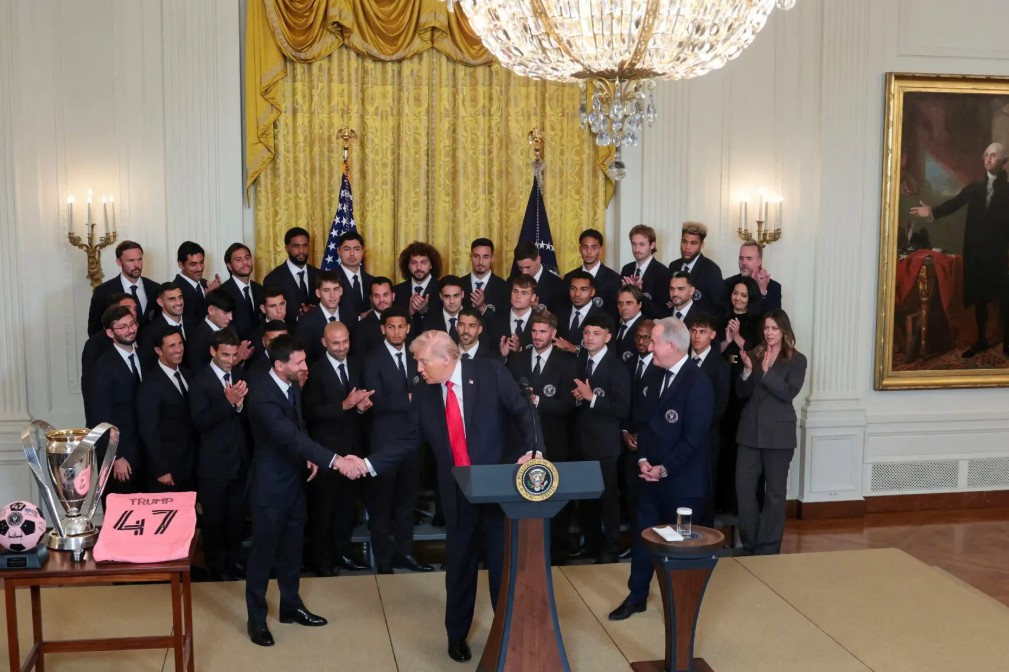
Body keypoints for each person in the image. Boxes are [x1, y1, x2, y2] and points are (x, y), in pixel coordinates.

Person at [340, 331, 540, 663]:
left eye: (422, 361)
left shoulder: (491, 373)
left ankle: (508, 632)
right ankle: (457, 635)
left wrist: (534, 450)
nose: (418, 368)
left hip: (497, 490)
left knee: (502, 567)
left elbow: (524, 413)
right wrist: (367, 463)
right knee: (459, 568)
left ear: (446, 359)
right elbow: (408, 439)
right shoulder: (425, 392)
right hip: (457, 492)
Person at [243, 334, 360, 647]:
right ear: (279, 365)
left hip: (295, 481)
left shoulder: (292, 384)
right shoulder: (262, 395)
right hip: (270, 487)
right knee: (263, 555)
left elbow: (300, 427)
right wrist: (334, 460)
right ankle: (256, 619)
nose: (305, 366)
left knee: (293, 548)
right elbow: (287, 436)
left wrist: (310, 456)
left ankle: (291, 606)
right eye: (299, 363)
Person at [608, 317, 714, 621]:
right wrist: (643, 459)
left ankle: (680, 604)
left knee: (680, 548)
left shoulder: (698, 383)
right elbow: (643, 425)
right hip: (649, 478)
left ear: (671, 345)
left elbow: (693, 440)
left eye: (654, 342)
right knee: (643, 541)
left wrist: (663, 469)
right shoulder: (653, 375)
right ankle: (636, 597)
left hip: (683, 484)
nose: (648, 347)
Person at [910, 142, 1009, 356]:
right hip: (976, 252)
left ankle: (1008, 344)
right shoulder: (976, 187)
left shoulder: (1008, 190)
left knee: (1003, 298)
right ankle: (981, 341)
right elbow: (955, 204)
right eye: (986, 155)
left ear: (1003, 161)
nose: (988, 159)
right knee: (979, 298)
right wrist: (932, 212)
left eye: (994, 155)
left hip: (998, 253)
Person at [362, 306, 434, 575]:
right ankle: (383, 561)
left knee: (407, 501)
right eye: (391, 327)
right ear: (383, 328)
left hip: (413, 440)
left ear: (408, 328)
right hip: (385, 441)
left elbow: (429, 391)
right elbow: (375, 400)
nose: (396, 332)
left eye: (401, 326)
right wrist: (409, 400)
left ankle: (405, 553)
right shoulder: (372, 358)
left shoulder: (417, 356)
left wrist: (415, 401)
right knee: (382, 504)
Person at [303, 321, 374, 575]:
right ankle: (322, 562)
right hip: (326, 454)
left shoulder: (356, 364)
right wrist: (344, 405)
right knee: (324, 511)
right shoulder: (314, 371)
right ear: (324, 343)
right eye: (336, 343)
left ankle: (342, 553)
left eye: (345, 341)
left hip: (354, 450)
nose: (342, 347)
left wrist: (361, 407)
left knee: (347, 508)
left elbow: (359, 405)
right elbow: (309, 412)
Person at [735, 309, 807, 556]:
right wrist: (747, 371)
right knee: (744, 488)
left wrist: (766, 372)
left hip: (778, 435)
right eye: (766, 328)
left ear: (784, 331)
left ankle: (768, 548)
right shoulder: (756, 353)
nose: (769, 333)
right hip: (749, 433)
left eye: (774, 328)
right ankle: (750, 543)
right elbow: (742, 392)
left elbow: (788, 393)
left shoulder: (797, 360)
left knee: (774, 494)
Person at [506, 310, 576, 558]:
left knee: (556, 494)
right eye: (534, 331)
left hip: (555, 439)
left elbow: (568, 405)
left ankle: (558, 550)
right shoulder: (517, 360)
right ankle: (524, 549)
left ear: (553, 333)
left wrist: (537, 401)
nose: (537, 336)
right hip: (523, 441)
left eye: (543, 332)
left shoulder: (567, 363)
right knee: (524, 493)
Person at [189, 329, 250, 582]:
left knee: (236, 517)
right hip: (213, 464)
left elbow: (247, 417)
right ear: (213, 351)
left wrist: (240, 406)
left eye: (234, 355)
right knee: (215, 520)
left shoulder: (240, 375)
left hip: (239, 460)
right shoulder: (200, 381)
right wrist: (228, 403)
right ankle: (216, 567)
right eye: (225, 355)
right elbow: (199, 422)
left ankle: (234, 561)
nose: (230, 360)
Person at [570, 314, 630, 564]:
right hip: (582, 440)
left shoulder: (616, 367)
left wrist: (592, 397)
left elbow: (622, 408)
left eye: (596, 333)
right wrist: (578, 397)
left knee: (607, 499)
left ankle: (611, 548)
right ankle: (591, 544)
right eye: (586, 333)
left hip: (605, 444)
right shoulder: (580, 362)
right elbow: (578, 400)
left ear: (608, 337)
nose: (589, 338)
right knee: (587, 499)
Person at [86, 305, 155, 496]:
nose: (130, 330)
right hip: (121, 457)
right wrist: (116, 457)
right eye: (123, 327)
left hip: (147, 454)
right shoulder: (102, 367)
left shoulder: (145, 357)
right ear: (110, 333)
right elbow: (99, 418)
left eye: (132, 324)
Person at [717, 277, 763, 513]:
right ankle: (721, 501)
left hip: (744, 379)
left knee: (739, 439)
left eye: (743, 295)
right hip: (724, 374)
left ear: (751, 298)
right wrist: (727, 339)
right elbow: (714, 350)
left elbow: (757, 354)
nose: (738, 298)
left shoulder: (758, 321)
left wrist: (736, 337)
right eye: (735, 293)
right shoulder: (723, 317)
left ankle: (739, 503)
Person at [137, 327, 196, 492]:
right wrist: (161, 469)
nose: (179, 349)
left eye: (180, 343)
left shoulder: (188, 375)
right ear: (158, 351)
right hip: (168, 469)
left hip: (191, 464)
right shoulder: (150, 386)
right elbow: (150, 432)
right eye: (172, 346)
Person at [688, 313, 730, 527]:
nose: (696, 336)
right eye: (693, 331)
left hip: (706, 435)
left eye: (702, 332)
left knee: (705, 484)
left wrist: (696, 428)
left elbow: (720, 405)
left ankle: (705, 533)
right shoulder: (681, 360)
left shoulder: (720, 366)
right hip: (680, 435)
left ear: (713, 335)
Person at [86, 240, 160, 335]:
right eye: (131, 260)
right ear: (119, 261)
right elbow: (94, 330)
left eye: (139, 259)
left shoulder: (155, 288)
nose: (137, 265)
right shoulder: (103, 292)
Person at [82, 293, 135, 415]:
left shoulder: (142, 337)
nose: (133, 312)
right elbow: (92, 392)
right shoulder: (97, 348)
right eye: (127, 308)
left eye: (135, 308)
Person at [262, 227, 319, 327]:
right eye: (296, 246)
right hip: (287, 334)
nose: (301, 250)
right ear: (286, 248)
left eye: (305, 245)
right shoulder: (272, 279)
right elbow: (271, 317)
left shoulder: (319, 275)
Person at [295, 270, 356, 363]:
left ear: (341, 291)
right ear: (318, 293)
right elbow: (304, 358)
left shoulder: (350, 316)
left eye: (335, 289)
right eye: (326, 290)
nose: (332, 295)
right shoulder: (306, 322)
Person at [668, 221, 725, 316]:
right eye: (684, 242)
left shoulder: (711, 270)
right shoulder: (674, 266)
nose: (687, 248)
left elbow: (719, 307)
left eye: (693, 243)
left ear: (701, 245)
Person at [186, 289, 252, 370]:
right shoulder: (197, 340)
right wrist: (235, 360)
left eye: (231, 312)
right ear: (211, 310)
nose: (230, 318)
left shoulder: (232, 329)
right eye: (225, 313)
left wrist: (240, 360)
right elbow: (199, 372)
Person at [564, 229, 622, 319]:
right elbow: (565, 311)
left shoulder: (614, 279)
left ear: (600, 250)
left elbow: (615, 315)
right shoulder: (569, 277)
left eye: (594, 247)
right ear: (580, 249)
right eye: (585, 247)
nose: (589, 252)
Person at [620, 224, 671, 319]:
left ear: (652, 245)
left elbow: (663, 313)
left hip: (651, 325)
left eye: (642, 244)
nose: (637, 249)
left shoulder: (663, 273)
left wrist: (638, 293)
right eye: (633, 244)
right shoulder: (626, 269)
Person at [220, 243, 264, 342]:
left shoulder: (260, 289)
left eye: (247, 258)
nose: (245, 263)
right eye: (238, 260)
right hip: (236, 347)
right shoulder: (222, 292)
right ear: (229, 266)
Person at [393, 241, 443, 329]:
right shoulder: (397, 291)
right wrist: (409, 313)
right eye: (414, 263)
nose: (418, 267)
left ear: (431, 265)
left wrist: (425, 311)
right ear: (407, 265)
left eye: (423, 262)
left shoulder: (442, 289)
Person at [486, 274, 539, 356]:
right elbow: (488, 353)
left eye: (524, 293)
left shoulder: (541, 322)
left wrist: (520, 350)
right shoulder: (495, 320)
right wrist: (503, 356)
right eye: (515, 291)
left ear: (533, 297)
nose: (518, 296)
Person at [724, 241, 782, 313]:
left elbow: (774, 317)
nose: (743, 263)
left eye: (749, 258)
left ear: (759, 261)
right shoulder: (728, 284)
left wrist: (762, 292)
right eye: (741, 258)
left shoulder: (774, 287)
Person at [554, 270, 604, 353]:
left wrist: (575, 349)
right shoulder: (559, 314)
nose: (577, 294)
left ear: (592, 292)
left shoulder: (603, 318)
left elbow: (606, 353)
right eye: (573, 289)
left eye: (583, 289)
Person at [460, 238, 509, 318]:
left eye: (485, 257)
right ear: (471, 257)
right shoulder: (459, 284)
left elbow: (503, 321)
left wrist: (482, 307)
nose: (480, 262)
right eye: (476, 256)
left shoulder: (504, 287)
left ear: (492, 258)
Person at [512, 240, 565, 312]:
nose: (524, 272)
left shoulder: (557, 285)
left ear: (538, 259)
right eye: (520, 267)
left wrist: (538, 310)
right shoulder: (512, 280)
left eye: (528, 267)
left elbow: (559, 316)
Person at [174, 241, 221, 323]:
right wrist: (207, 299)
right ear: (181, 265)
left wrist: (217, 295)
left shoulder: (205, 283)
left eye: (202, 262)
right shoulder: (175, 289)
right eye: (193, 264)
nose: (200, 268)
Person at [350, 276, 395, 358]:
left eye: (385, 295)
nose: (381, 300)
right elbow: (359, 360)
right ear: (371, 298)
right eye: (376, 296)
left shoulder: (405, 321)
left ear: (393, 296)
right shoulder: (361, 327)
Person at [139, 282, 192, 350]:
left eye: (180, 297)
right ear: (160, 302)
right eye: (172, 299)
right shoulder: (150, 333)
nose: (179, 303)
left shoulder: (193, 323)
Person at [335, 231, 374, 321]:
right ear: (338, 251)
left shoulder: (372, 281)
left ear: (363, 252)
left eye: (357, 249)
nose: (352, 253)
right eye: (347, 249)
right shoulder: (329, 280)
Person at [421, 275, 466, 343]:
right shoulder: (429, 320)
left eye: (456, 296)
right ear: (441, 296)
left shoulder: (474, 318)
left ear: (462, 294)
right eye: (447, 296)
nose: (452, 301)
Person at [613, 285, 646, 362]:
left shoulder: (646, 328)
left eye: (629, 303)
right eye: (620, 303)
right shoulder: (614, 325)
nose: (623, 307)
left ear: (640, 304)